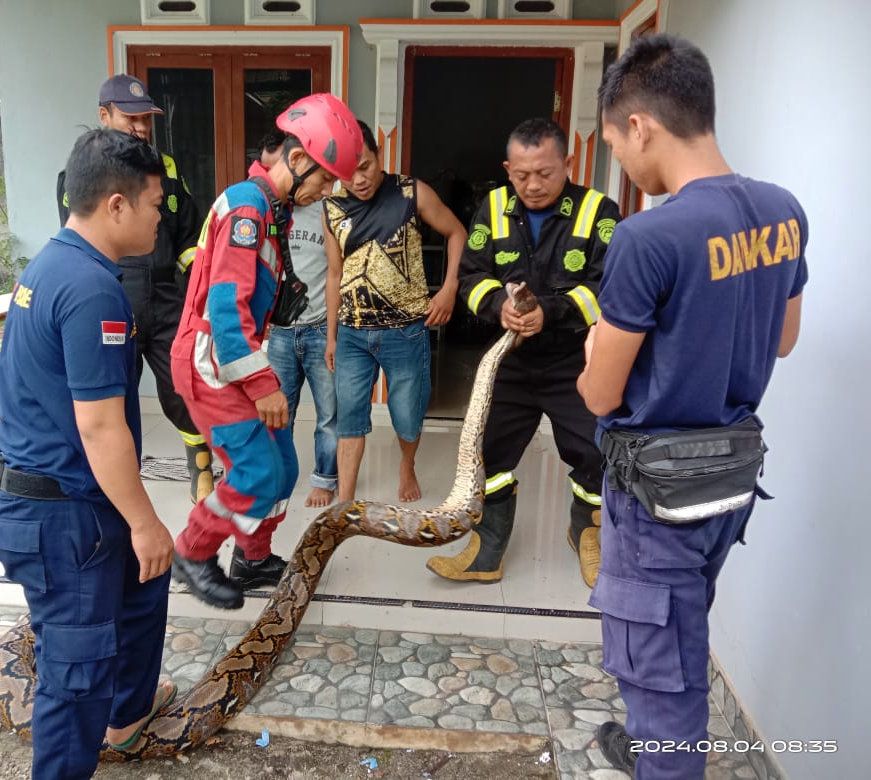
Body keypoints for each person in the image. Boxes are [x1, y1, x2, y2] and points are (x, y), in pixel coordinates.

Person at [577, 35, 807, 778]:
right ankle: (651, 746)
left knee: (659, 679)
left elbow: (600, 393)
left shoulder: (649, 235)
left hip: (655, 499)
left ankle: (661, 754)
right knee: (679, 633)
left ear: (639, 125)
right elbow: (783, 342)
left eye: (616, 142)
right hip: (728, 483)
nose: (624, 161)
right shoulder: (783, 212)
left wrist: (593, 353)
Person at [0, 129, 176, 779]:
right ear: (116, 205)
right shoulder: (95, 292)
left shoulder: (54, 263)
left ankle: (124, 721)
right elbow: (100, 428)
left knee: (147, 584)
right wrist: (145, 520)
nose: (161, 217)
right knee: (76, 673)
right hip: (61, 516)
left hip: (67, 499)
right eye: (155, 203)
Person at [170, 94, 363, 608]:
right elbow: (228, 311)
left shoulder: (271, 208)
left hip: (235, 356)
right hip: (213, 362)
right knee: (256, 470)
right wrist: (263, 387)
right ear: (297, 161)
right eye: (324, 180)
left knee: (282, 465)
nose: (326, 192)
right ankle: (191, 554)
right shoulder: (248, 210)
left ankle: (252, 558)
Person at [427, 118, 620, 587]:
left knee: (596, 453)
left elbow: (611, 287)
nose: (533, 185)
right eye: (522, 175)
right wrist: (500, 308)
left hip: (575, 361)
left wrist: (549, 312)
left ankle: (587, 533)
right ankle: (486, 549)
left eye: (546, 173)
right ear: (508, 169)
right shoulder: (490, 208)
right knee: (486, 455)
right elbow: (470, 277)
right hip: (509, 361)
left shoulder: (601, 212)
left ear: (568, 163)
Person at [57, 74, 213, 503]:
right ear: (104, 115)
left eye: (147, 118)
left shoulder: (168, 170)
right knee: (112, 396)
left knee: (184, 386)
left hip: (166, 298)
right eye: (132, 118)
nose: (141, 127)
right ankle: (113, 481)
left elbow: (187, 236)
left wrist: (202, 287)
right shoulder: (81, 174)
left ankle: (200, 468)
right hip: (112, 296)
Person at [323, 121, 466, 504]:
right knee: (350, 417)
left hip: (405, 332)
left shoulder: (411, 192)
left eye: (365, 166)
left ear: (378, 152)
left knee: (407, 414)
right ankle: (345, 503)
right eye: (348, 172)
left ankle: (407, 464)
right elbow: (335, 274)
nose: (359, 179)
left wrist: (449, 287)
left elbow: (457, 233)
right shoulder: (332, 208)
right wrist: (332, 336)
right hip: (352, 334)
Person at [258, 130, 338, 508]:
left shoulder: (326, 210)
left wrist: (335, 336)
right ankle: (276, 473)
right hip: (281, 333)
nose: (324, 189)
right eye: (323, 180)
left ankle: (324, 479)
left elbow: (335, 274)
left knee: (328, 415)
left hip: (321, 328)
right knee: (278, 410)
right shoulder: (272, 212)